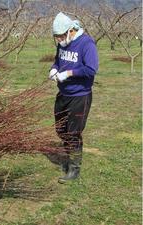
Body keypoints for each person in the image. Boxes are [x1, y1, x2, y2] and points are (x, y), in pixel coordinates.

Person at [48, 12, 99, 183]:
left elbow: (91, 69)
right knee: (61, 129)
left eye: (61, 36)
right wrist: (54, 69)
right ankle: (69, 157)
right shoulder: (62, 44)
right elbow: (58, 60)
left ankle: (74, 169)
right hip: (63, 93)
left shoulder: (86, 44)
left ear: (71, 30)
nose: (59, 40)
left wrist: (69, 73)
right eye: (57, 37)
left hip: (80, 96)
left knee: (73, 133)